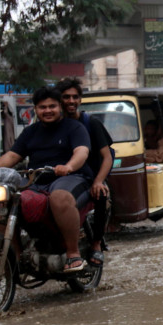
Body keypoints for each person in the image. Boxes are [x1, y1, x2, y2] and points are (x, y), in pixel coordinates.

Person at [0, 87, 92, 272]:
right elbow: (12, 156)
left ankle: (73, 255)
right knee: (4, 199)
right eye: (42, 107)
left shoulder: (75, 128)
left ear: (60, 107)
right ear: (36, 110)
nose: (47, 110)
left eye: (52, 106)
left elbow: (82, 152)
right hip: (37, 180)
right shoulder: (30, 132)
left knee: (59, 197)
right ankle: (16, 254)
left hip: (71, 177)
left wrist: (69, 166)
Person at [57, 78, 112, 267]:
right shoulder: (52, 124)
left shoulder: (91, 123)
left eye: (75, 97)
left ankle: (96, 243)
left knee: (101, 195)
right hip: (62, 178)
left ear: (80, 100)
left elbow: (107, 157)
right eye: (66, 97)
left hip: (91, 175)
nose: (71, 101)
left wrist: (99, 181)